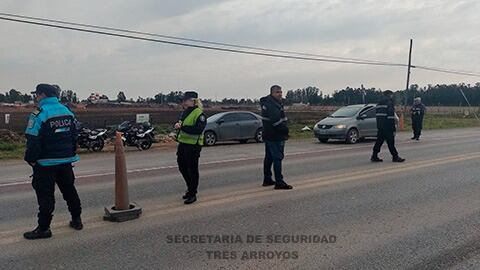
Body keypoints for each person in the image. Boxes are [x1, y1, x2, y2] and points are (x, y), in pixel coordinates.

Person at [23, 84, 83, 240]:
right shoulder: (67, 111)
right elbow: (74, 135)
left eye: (36, 94)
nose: (35, 97)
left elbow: (33, 140)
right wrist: (70, 153)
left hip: (45, 163)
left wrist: (31, 160)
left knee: (45, 196)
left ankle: (44, 228)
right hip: (65, 161)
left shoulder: (39, 113)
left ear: (42, 94)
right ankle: (77, 220)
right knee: (69, 190)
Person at [174, 91, 207, 204]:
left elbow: (198, 130)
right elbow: (182, 125)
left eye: (185, 100)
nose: (183, 102)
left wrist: (182, 127)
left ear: (193, 101)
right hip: (183, 144)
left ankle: (192, 193)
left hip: (193, 146)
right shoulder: (185, 112)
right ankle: (190, 188)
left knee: (192, 170)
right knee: (182, 167)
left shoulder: (199, 114)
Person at [260, 85, 293, 190]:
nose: (280, 94)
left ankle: (267, 179)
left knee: (269, 158)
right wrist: (285, 131)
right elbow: (276, 122)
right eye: (277, 92)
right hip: (275, 135)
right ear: (272, 93)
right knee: (277, 158)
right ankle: (279, 182)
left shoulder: (270, 103)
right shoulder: (272, 104)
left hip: (268, 134)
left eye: (281, 92)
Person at [371, 90, 405, 163]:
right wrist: (393, 128)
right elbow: (390, 117)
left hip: (380, 126)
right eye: (392, 95)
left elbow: (378, 116)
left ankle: (374, 155)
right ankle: (395, 157)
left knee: (379, 142)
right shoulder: (389, 103)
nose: (392, 97)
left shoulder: (378, 104)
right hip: (388, 127)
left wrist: (379, 126)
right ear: (389, 95)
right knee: (391, 142)